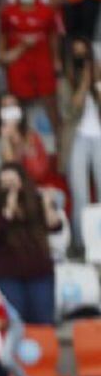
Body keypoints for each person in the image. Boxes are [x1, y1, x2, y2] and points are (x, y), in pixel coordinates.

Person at [0, 163, 57, 325]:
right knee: (16, 322)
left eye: (13, 182)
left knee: (43, 321)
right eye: (5, 183)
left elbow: (55, 226)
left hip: (39, 271)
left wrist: (47, 205)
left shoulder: (36, 201)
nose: (10, 187)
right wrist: (9, 208)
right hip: (7, 274)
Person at [0, 0, 60, 148]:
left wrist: (56, 59)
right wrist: (3, 55)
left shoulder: (47, 11)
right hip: (18, 63)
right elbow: (2, 35)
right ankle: (17, 145)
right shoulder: (8, 12)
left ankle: (60, 145)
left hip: (42, 61)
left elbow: (54, 36)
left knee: (51, 102)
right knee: (17, 104)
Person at [65, 37, 101, 252]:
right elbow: (71, 109)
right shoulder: (66, 80)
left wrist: (96, 82)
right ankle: (80, 244)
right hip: (78, 137)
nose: (82, 59)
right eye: (77, 54)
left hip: (99, 137)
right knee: (80, 195)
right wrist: (85, 81)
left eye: (85, 54)